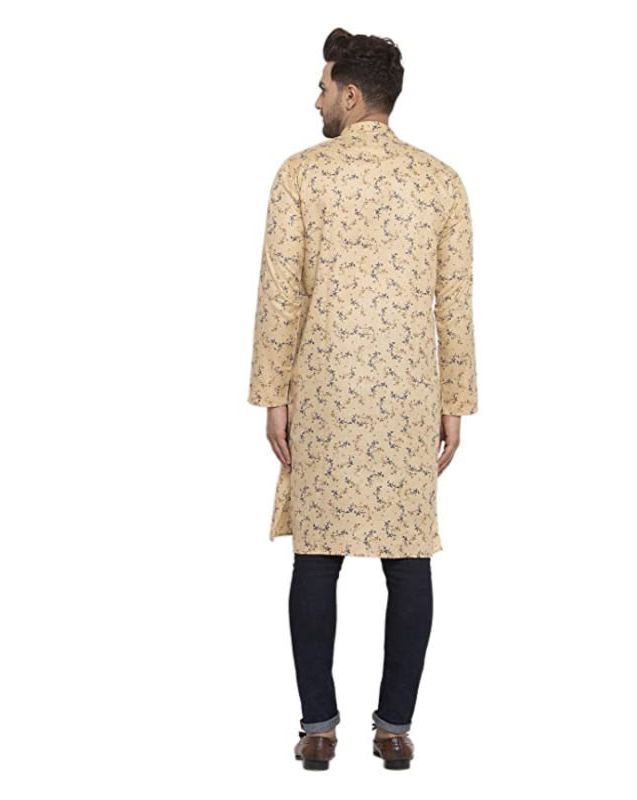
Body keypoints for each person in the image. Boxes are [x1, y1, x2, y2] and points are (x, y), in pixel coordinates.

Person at [247, 28, 478, 770]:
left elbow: (280, 295)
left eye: (322, 88)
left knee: (317, 557)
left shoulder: (300, 175)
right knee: (407, 559)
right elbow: (454, 303)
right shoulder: (441, 182)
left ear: (350, 95)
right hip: (409, 394)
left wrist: (272, 394)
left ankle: (318, 727)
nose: (315, 99)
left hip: (321, 386)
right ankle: (395, 729)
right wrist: (454, 401)